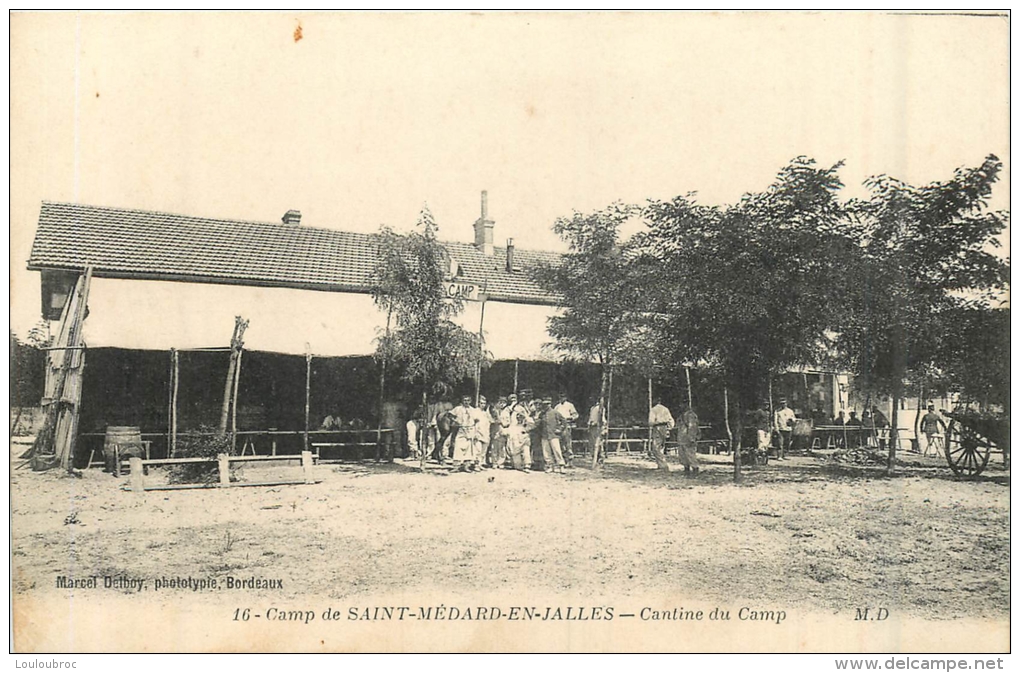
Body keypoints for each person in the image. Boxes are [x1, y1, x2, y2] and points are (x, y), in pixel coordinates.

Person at [449, 395, 479, 472]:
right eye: (465, 400)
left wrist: (474, 431)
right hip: (461, 429)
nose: (466, 402)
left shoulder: (473, 410)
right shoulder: (458, 409)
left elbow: (476, 421)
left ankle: (466, 466)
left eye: (468, 400)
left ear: (470, 401)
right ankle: (456, 466)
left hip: (470, 429)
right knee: (458, 447)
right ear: (462, 401)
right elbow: (449, 415)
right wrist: (456, 421)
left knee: (469, 448)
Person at [540, 397, 568, 473]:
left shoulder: (555, 412)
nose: (546, 406)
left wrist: (560, 429)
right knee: (546, 452)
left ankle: (561, 466)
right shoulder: (542, 414)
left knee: (557, 451)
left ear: (550, 404)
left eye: (547, 404)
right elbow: (538, 424)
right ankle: (550, 466)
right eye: (544, 404)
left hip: (553, 435)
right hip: (545, 435)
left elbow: (564, 421)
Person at [647, 396, 673, 472]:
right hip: (665, 428)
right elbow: (671, 420)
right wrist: (669, 428)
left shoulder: (654, 409)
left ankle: (663, 466)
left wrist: (654, 424)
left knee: (656, 447)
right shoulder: (665, 409)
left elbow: (650, 422)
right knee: (661, 446)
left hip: (657, 427)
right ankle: (661, 465)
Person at [554, 393, 580, 467]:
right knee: (561, 444)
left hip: (567, 425)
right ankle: (563, 460)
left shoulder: (569, 405)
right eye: (560, 397)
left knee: (568, 443)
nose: (562, 398)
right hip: (559, 426)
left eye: (563, 397)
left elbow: (576, 415)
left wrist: (571, 418)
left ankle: (570, 461)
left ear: (565, 397)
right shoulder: (557, 406)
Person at [506, 406, 534, 471]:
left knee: (526, 450)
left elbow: (532, 423)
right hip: (516, 447)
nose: (519, 419)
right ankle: (518, 464)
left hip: (524, 443)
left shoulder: (526, 426)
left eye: (521, 417)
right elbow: (509, 436)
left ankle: (527, 465)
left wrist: (525, 415)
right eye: (518, 417)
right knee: (517, 466)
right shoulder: (513, 426)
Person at [676, 405, 701, 475]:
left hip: (688, 438)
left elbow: (692, 427)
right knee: (683, 455)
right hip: (682, 438)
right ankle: (686, 469)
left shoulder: (691, 415)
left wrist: (692, 438)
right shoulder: (682, 415)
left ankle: (695, 469)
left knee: (690, 454)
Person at [487, 396, 508, 468]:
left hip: (503, 431)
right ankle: (494, 462)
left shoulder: (506, 411)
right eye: (500, 402)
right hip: (495, 431)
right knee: (494, 448)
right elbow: (491, 420)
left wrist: (502, 422)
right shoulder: (493, 411)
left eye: (504, 402)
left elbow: (508, 422)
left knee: (502, 448)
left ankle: (501, 462)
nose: (502, 404)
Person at [472, 396, 492, 469]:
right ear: (478, 403)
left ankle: (480, 464)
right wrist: (475, 433)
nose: (483, 405)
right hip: (478, 433)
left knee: (483, 451)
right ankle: (476, 465)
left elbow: (490, 421)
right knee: (478, 450)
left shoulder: (486, 413)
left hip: (485, 433)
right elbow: (473, 423)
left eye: (484, 403)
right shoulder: (475, 411)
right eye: (481, 403)